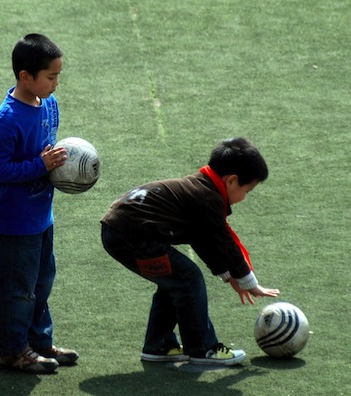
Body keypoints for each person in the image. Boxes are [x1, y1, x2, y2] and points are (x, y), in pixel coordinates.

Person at [100, 137, 281, 366]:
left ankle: (160, 345)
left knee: (175, 281)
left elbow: (202, 239)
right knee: (187, 277)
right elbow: (223, 242)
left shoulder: (200, 187)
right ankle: (203, 348)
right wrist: (248, 281)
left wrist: (229, 276)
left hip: (121, 231)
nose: (245, 197)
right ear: (232, 181)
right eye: (248, 190)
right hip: (130, 235)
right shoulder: (208, 197)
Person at [0, 34, 79, 374]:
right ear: (25, 77)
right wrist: (41, 166)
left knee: (41, 282)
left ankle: (38, 341)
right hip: (16, 220)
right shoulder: (8, 119)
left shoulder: (48, 104)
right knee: (16, 289)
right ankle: (11, 351)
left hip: (41, 215)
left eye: (57, 76)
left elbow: (48, 151)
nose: (56, 83)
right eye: (50, 77)